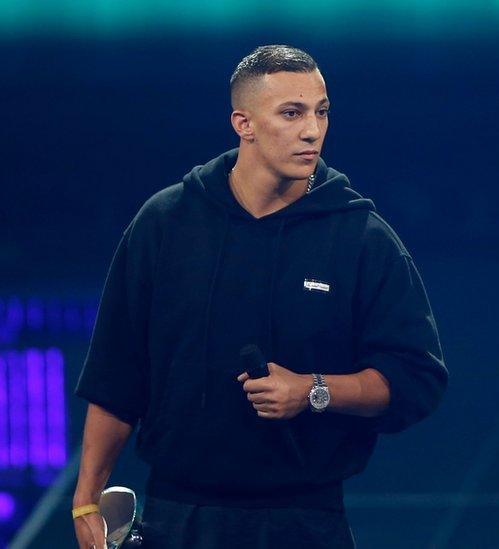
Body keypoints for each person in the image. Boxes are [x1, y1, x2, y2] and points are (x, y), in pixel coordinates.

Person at [71, 45, 448, 549]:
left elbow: (416, 377)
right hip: (177, 519)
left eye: (322, 111)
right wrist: (86, 499)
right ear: (243, 123)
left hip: (303, 522)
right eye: (291, 113)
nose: (312, 130)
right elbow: (116, 374)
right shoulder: (165, 224)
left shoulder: (362, 237)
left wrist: (314, 389)